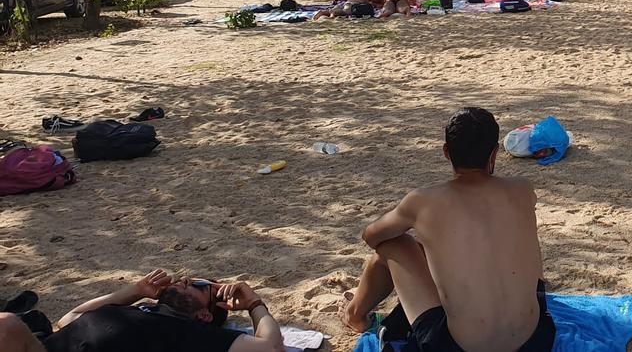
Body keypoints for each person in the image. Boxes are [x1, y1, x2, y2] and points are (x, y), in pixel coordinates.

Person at [338, 108, 555, 351]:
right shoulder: (522, 189)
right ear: (494, 154)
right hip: (536, 340)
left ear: (446, 152)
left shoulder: (423, 201)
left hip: (457, 347)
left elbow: (372, 236)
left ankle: (355, 315)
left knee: (396, 244)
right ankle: (357, 312)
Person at [0, 269, 285, 352]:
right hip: (42, 346)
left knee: (7, 324)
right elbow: (69, 319)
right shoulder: (145, 310)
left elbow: (270, 348)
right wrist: (134, 292)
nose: (185, 280)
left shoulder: (189, 332)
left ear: (205, 314)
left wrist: (254, 304)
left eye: (198, 285)